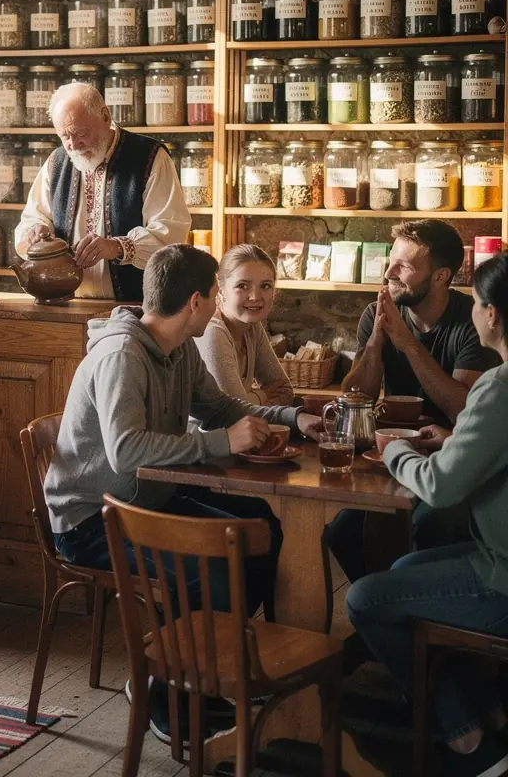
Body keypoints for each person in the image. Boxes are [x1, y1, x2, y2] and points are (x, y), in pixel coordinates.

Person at [44, 244, 321, 743]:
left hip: (145, 500)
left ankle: (213, 671)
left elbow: (219, 407)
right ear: (195, 301)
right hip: (91, 520)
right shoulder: (121, 356)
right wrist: (221, 442)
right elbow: (127, 452)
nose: (217, 305)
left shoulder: (178, 348)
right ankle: (168, 699)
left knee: (259, 527)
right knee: (209, 572)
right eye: (216, 294)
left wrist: (291, 417)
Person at [345, 253, 508, 777]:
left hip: (502, 575)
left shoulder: (499, 386)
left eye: (480, 304)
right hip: (497, 554)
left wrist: (393, 448)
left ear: (494, 316)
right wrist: (457, 440)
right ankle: (483, 705)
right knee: (399, 574)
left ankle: (467, 737)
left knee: (366, 599)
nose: (476, 312)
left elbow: (439, 487)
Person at [327, 221, 499, 584]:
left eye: (404, 266)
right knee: (343, 531)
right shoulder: (379, 313)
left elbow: (462, 408)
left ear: (440, 277)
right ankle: (384, 610)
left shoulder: (472, 321)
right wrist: (376, 341)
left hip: (453, 458)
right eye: (391, 262)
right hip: (390, 453)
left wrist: (407, 343)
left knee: (428, 527)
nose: (389, 273)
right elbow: (356, 398)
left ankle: (421, 619)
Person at [14, 83, 190, 301]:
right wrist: (36, 230)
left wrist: (118, 247)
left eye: (80, 133)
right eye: (64, 136)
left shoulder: (149, 157)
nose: (74, 145)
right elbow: (33, 218)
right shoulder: (56, 163)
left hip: (135, 308)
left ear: (105, 116)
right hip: (67, 305)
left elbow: (170, 232)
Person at [194, 243, 293, 406]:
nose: (255, 296)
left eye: (265, 286)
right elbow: (235, 410)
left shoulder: (252, 327)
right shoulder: (213, 332)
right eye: (242, 286)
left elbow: (285, 390)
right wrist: (262, 395)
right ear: (221, 290)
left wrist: (250, 400)